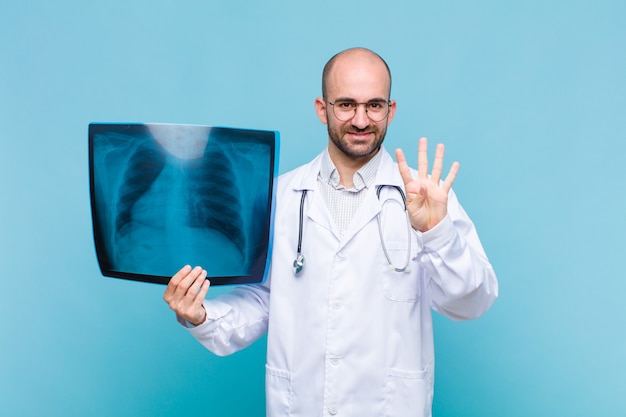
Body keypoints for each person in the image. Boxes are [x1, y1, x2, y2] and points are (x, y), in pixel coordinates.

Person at [164, 47, 498, 417]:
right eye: (346, 105)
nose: (360, 119)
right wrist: (202, 316)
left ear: (391, 109)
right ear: (322, 109)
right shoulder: (281, 196)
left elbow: (471, 302)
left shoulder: (426, 197)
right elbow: (264, 300)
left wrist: (436, 232)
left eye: (374, 105)